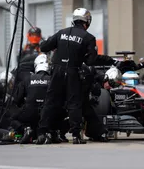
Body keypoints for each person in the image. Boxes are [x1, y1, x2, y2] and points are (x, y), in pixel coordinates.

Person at [36, 8, 98, 145]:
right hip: (73, 71)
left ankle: (41, 133)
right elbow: (90, 61)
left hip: (56, 71)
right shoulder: (89, 38)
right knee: (74, 103)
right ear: (87, 21)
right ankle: (76, 135)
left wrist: (52, 44)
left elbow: (44, 47)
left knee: (50, 101)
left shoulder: (61, 33)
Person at [10, 54, 52, 144]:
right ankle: (50, 133)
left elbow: (17, 99)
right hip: (48, 114)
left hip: (30, 112)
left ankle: (26, 129)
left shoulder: (27, 79)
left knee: (11, 117)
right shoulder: (52, 80)